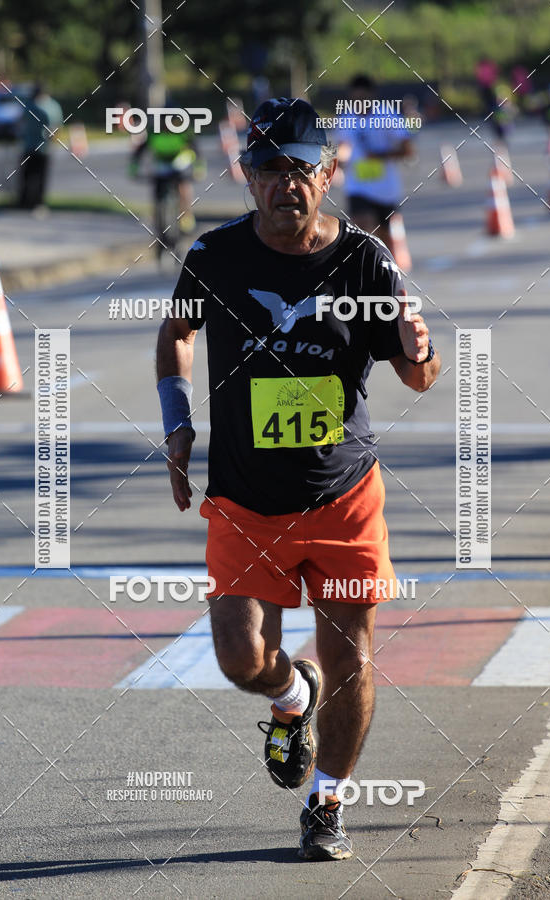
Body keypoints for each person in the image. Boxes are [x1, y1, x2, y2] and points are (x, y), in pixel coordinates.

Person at [155, 97, 440, 860]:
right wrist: (176, 422)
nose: (289, 183)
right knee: (240, 659)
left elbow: (418, 376)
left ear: (329, 173)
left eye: (303, 168)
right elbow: (174, 335)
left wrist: (419, 349)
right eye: (272, 168)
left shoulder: (363, 260)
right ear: (247, 176)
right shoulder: (214, 259)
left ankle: (327, 802)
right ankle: (290, 695)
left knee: (350, 658)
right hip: (245, 504)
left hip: (344, 499)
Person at [337, 75, 414, 247]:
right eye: (356, 100)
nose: (360, 104)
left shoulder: (387, 116)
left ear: (372, 96)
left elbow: (407, 150)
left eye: (363, 99)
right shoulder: (346, 118)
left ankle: (385, 270)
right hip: (357, 187)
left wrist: (380, 156)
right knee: (361, 231)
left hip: (385, 190)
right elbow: (344, 146)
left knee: (384, 239)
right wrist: (337, 162)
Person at [18, 83, 62, 210]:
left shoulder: (30, 105)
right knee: (37, 175)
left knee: (31, 175)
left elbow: (21, 123)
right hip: (39, 146)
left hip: (33, 146)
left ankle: (28, 201)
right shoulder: (52, 106)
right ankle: (35, 201)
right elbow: (57, 126)